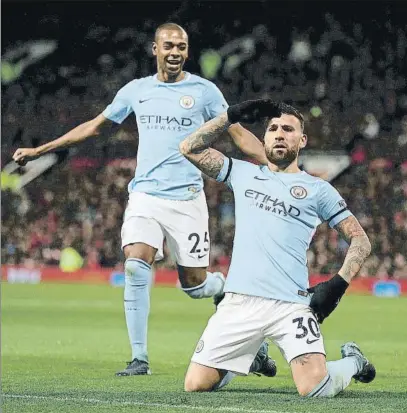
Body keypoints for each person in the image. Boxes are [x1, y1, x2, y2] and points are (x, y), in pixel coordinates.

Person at [12, 23, 276, 378]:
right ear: (155, 49)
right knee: (136, 265)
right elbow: (93, 127)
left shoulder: (205, 92)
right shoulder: (136, 91)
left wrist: (277, 166)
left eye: (181, 46)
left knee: (196, 287)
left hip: (187, 200)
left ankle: (222, 289)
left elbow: (238, 134)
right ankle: (139, 358)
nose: (175, 52)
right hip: (145, 196)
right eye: (168, 45)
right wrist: (40, 150)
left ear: (187, 50)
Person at [179, 99, 376, 396]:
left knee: (314, 389)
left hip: (290, 305)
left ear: (302, 139)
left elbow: (360, 239)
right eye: (273, 128)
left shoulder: (318, 189)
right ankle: (252, 356)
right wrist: (229, 117)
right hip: (238, 303)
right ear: (264, 139)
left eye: (288, 129)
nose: (280, 133)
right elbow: (189, 148)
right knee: (196, 385)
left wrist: (337, 284)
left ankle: (353, 362)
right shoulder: (242, 173)